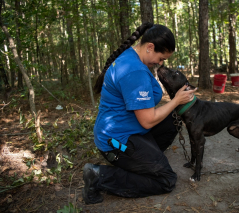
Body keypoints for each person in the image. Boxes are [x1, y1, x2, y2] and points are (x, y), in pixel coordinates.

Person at [82, 22, 197, 204]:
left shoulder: (133, 57)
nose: (160, 63)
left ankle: (144, 162)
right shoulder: (134, 71)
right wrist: (175, 101)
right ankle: (98, 176)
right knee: (166, 180)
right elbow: (147, 121)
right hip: (115, 142)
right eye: (161, 58)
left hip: (128, 129)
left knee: (172, 120)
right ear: (150, 47)